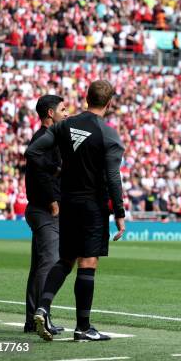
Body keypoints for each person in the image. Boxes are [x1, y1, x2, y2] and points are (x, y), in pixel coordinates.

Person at [26, 80, 126, 342]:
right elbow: (113, 177)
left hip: (68, 203)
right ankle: (83, 327)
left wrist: (58, 171)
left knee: (65, 259)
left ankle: (42, 307)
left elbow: (33, 151)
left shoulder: (63, 126)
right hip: (93, 205)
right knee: (88, 262)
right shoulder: (109, 134)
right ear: (109, 102)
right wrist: (119, 212)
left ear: (86, 98)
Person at [24, 94, 68, 335]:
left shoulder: (47, 138)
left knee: (39, 266)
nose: (67, 112)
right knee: (49, 264)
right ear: (50, 114)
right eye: (63, 109)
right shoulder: (45, 139)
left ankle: (33, 319)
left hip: (40, 208)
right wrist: (53, 201)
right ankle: (43, 316)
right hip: (44, 210)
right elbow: (39, 173)